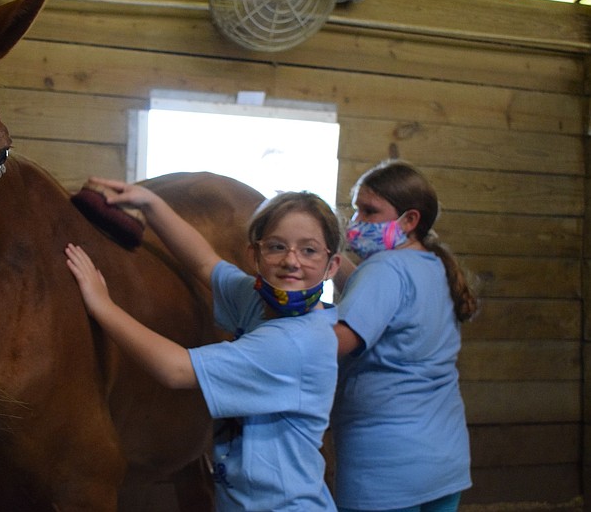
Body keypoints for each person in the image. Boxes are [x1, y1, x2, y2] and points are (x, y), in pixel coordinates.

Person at [64, 177, 342, 511]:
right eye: (277, 246)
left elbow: (176, 368)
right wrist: (150, 203)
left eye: (308, 250)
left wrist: (102, 305)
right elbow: (204, 263)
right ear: (254, 254)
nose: (291, 261)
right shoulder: (261, 303)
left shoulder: (295, 342)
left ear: (332, 266)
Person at [331, 159, 478, 512]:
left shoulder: (383, 269)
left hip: (386, 468)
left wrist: (283, 326)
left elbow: (339, 342)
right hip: (444, 459)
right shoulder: (434, 264)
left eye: (369, 212)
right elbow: (379, 298)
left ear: (409, 220)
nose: (356, 223)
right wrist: (328, 260)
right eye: (355, 211)